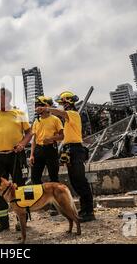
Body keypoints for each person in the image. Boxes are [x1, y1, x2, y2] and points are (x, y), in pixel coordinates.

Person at [36, 91, 96, 222]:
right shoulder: (68, 119)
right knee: (75, 181)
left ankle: (89, 211)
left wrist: (46, 108)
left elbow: (61, 113)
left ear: (68, 103)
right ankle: (84, 209)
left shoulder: (73, 114)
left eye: (62, 103)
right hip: (70, 150)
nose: (61, 106)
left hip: (76, 149)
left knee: (80, 180)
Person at [0, 87, 33, 234]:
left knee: (20, 188)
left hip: (17, 156)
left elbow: (29, 132)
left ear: (9, 98)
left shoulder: (20, 113)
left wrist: (23, 144)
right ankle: (2, 223)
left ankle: (21, 221)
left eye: (2, 98)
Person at [30, 96, 64, 216]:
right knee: (35, 177)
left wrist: (51, 139)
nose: (36, 108)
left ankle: (56, 206)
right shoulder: (36, 121)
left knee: (53, 178)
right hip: (38, 150)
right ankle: (41, 203)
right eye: (36, 105)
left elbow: (62, 136)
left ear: (46, 106)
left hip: (51, 150)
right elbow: (34, 139)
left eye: (39, 105)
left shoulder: (55, 119)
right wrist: (31, 155)